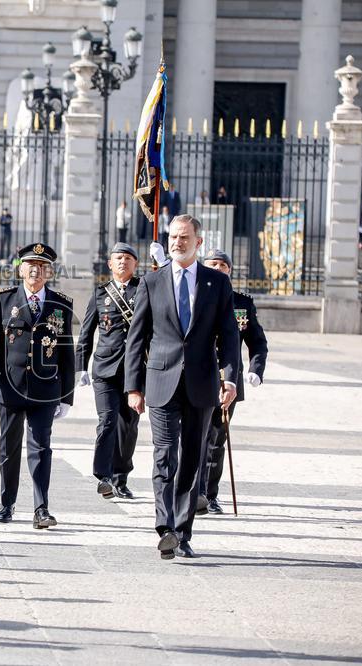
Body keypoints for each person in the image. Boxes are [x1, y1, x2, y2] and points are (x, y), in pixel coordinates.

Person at [125, 215, 240, 559]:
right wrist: (134, 386)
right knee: (164, 455)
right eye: (173, 236)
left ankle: (183, 532)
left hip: (202, 384)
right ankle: (165, 527)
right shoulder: (152, 281)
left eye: (185, 237)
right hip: (161, 381)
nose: (177, 242)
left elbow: (230, 334)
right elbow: (137, 337)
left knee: (192, 458)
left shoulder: (216, 284)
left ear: (198, 243)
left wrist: (230, 376)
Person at [0, 242, 75, 529]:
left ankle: (41, 508)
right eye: (30, 265)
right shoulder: (4, 300)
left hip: (45, 389)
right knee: (9, 448)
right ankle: (7, 503)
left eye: (41, 266)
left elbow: (67, 351)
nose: (35, 270)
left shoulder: (61, 304)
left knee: (41, 447)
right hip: (9, 386)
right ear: (21, 269)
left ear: (49, 271)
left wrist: (67, 395)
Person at [197, 249, 268, 515]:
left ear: (230, 271)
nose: (218, 268)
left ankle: (210, 495)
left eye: (223, 265)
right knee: (196, 437)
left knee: (217, 439)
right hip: (199, 377)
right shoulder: (193, 296)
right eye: (212, 264)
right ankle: (195, 491)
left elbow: (258, 343)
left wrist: (255, 369)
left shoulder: (242, 303)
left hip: (228, 381)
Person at [75, 243, 141, 501]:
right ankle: (103, 476)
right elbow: (86, 331)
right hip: (105, 369)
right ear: (110, 264)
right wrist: (81, 365)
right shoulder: (100, 293)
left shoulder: (144, 289)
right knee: (107, 421)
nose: (123, 262)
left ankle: (120, 477)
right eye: (118, 258)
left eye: (128, 258)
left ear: (135, 264)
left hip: (135, 370)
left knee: (128, 427)